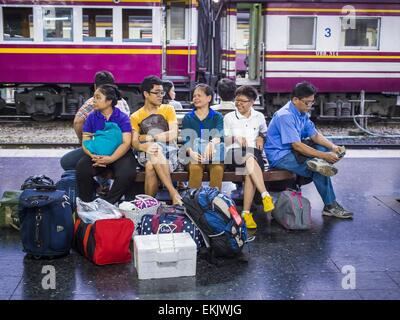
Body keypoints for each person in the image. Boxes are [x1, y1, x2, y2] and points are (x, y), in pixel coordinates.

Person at [265, 81, 352, 219]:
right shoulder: (285, 116)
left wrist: (333, 147)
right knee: (318, 170)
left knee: (322, 152)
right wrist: (325, 156)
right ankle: (330, 206)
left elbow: (315, 135)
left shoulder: (302, 112)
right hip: (281, 156)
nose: (310, 106)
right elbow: (297, 146)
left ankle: (321, 163)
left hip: (293, 152)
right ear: (295, 100)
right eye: (307, 102)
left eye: (312, 102)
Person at [76, 84, 138, 204]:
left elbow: (126, 142)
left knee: (128, 173)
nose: (94, 100)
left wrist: (111, 159)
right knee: (82, 168)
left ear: (109, 101)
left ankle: (108, 203)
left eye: (98, 97)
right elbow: (86, 139)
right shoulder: (91, 117)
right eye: (94, 97)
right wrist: (93, 155)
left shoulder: (122, 117)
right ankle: (86, 203)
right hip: (97, 153)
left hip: (120, 153)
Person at [224, 85, 275, 229]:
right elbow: (224, 140)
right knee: (249, 159)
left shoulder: (259, 116)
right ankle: (265, 195)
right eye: (237, 100)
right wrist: (235, 138)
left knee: (249, 171)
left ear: (252, 102)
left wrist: (260, 137)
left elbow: (264, 133)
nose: (238, 103)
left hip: (253, 153)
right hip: (233, 154)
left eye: (243, 101)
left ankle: (246, 213)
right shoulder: (229, 117)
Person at [60, 71, 130, 171]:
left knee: (66, 162)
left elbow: (78, 122)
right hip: (121, 150)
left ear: (95, 86)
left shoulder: (92, 102)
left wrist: (83, 141)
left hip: (102, 149)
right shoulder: (123, 102)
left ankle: (100, 184)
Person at [130, 75, 182, 205]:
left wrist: (150, 137)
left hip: (170, 153)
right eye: (156, 93)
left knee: (150, 166)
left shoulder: (168, 109)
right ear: (146, 94)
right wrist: (145, 145)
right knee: (155, 150)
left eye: (162, 92)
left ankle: (149, 207)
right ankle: (173, 193)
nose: (161, 96)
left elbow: (173, 134)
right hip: (146, 151)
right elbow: (135, 142)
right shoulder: (136, 116)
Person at [181, 84, 224, 190]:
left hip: (214, 156)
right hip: (194, 154)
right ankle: (193, 202)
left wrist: (211, 143)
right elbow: (186, 139)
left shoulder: (217, 116)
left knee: (217, 169)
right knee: (195, 168)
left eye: (199, 95)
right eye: (194, 96)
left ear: (209, 98)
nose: (195, 98)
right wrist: (191, 152)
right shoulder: (188, 117)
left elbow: (219, 133)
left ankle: (214, 201)